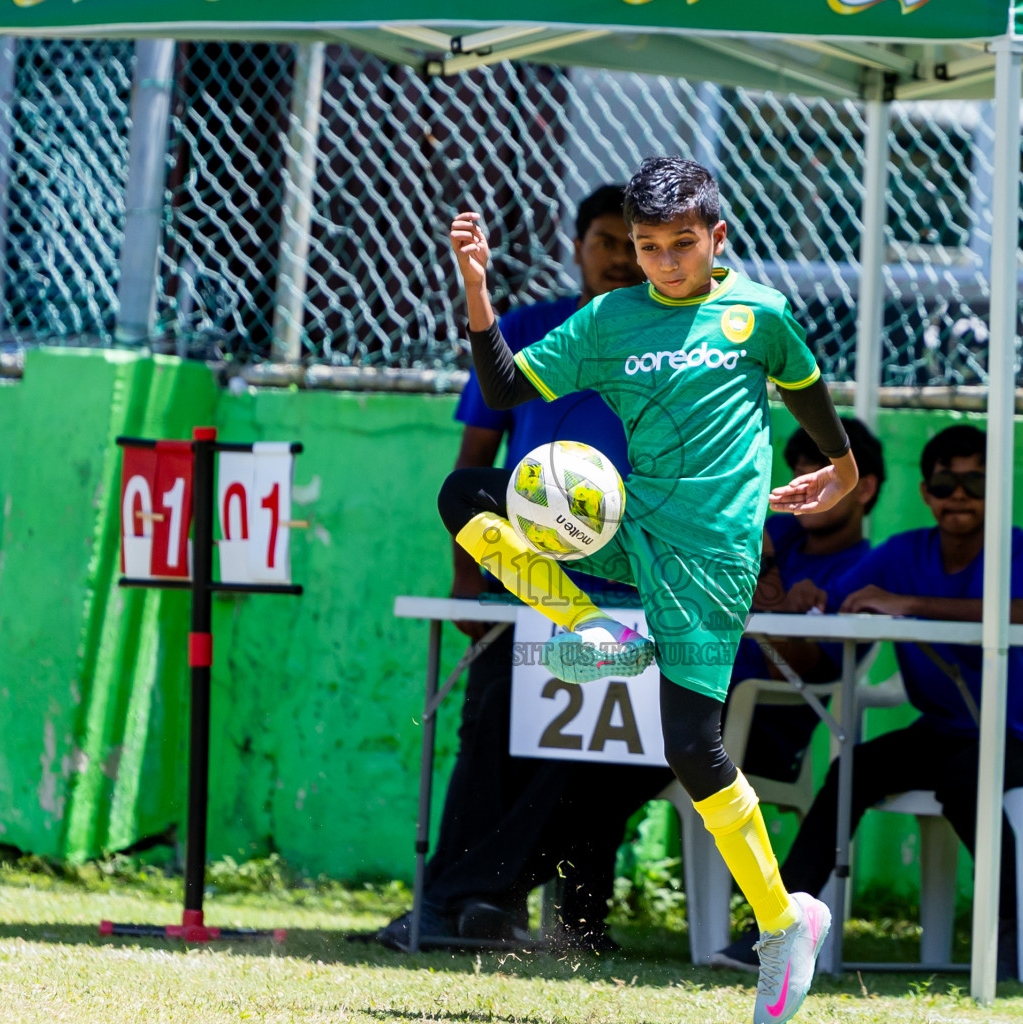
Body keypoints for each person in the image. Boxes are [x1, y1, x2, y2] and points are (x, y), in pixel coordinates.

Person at [439, 157, 857, 1024]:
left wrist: (843, 469)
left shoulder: (759, 313)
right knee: (465, 495)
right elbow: (503, 387)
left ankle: (786, 921)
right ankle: (591, 627)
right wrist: (477, 289)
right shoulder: (609, 318)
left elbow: (808, 390)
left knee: (692, 748)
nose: (665, 261)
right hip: (630, 528)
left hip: (712, 558)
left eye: (682, 244)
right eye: (648, 246)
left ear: (717, 237)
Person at [373, 185, 668, 954]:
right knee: (492, 731)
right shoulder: (528, 332)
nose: (619, 257)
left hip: (632, 586)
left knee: (595, 751)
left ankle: (523, 911)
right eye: (606, 241)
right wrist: (467, 578)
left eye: (634, 244)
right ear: (577, 248)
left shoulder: (677, 346)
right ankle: (475, 905)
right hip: (526, 582)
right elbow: (475, 458)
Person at [713, 425, 1023, 982]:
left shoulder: (1021, 549)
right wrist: (808, 596)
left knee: (966, 782)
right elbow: (837, 600)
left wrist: (907, 605)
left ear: (997, 489)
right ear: (925, 493)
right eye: (944, 484)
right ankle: (774, 930)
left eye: (974, 482)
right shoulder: (903, 551)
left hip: (1017, 733)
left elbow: (1019, 614)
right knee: (852, 771)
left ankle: (1009, 934)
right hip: (941, 730)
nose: (958, 495)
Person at [734, 419, 883, 784]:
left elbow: (791, 671)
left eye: (818, 482)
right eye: (798, 479)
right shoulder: (782, 530)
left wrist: (764, 567)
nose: (802, 493)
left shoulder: (867, 575)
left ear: (864, 488)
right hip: (694, 705)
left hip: (759, 732)